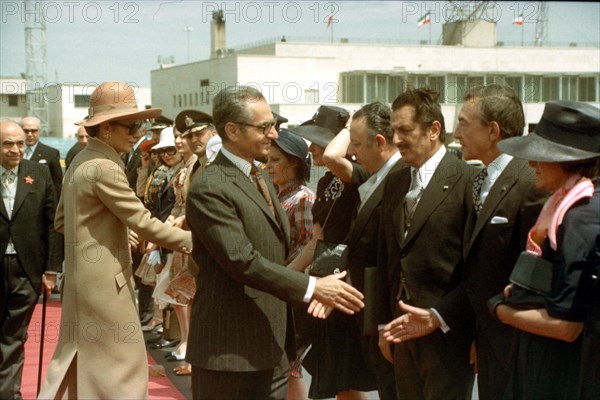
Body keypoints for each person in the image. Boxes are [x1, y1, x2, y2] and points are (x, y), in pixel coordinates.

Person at [185, 85, 365, 399]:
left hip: (272, 348)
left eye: (274, 126)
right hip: (230, 351)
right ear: (232, 130)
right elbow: (242, 260)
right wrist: (312, 287)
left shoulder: (261, 176)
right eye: (265, 127)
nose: (273, 134)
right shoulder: (210, 186)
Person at [385, 84, 548, 398]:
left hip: (515, 345)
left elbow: (528, 273)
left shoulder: (529, 181)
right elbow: (477, 272)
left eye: (463, 123)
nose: (456, 133)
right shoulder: (483, 179)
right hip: (487, 341)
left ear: (493, 131)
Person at [37, 81, 193, 399]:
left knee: (80, 367)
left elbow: (63, 221)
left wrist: (114, 230)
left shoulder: (81, 161)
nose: (137, 133)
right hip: (107, 286)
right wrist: (200, 240)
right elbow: (146, 223)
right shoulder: (105, 167)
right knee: (123, 372)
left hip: (80, 282)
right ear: (107, 129)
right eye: (132, 125)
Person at [490, 100, 600, 400]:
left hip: (563, 373)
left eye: (540, 156)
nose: (531, 163)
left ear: (565, 159)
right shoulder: (572, 205)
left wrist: (501, 310)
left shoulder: (579, 218)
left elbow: (566, 327)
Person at [379, 88, 475, 400]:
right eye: (393, 131)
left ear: (434, 130)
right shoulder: (395, 182)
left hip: (447, 338)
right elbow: (388, 259)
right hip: (402, 336)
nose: (396, 140)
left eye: (405, 130)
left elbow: (476, 268)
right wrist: (383, 324)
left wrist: (442, 316)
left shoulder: (467, 181)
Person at [290, 105, 375, 400]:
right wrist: (287, 275)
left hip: (349, 282)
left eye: (319, 138)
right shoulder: (326, 181)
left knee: (347, 376)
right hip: (326, 280)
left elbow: (331, 157)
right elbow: (317, 240)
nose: (312, 147)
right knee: (338, 379)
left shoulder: (361, 175)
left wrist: (349, 127)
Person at [321, 101, 402, 400]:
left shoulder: (402, 177)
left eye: (356, 144)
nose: (352, 152)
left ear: (379, 142)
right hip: (369, 307)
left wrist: (383, 322)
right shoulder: (378, 175)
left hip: (390, 315)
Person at [0, 120, 62, 399]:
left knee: (14, 336)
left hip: (27, 269)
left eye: (19, 144)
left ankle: (9, 393)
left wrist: (51, 269)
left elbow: (53, 223)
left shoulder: (38, 172)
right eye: (7, 144)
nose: (15, 150)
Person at [266, 128, 316, 399]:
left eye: (275, 160)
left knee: (289, 365)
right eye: (268, 160)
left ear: (294, 163)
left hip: (293, 291)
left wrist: (287, 278)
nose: (268, 166)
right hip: (277, 286)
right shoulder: (276, 196)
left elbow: (310, 248)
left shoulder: (304, 199)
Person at [21, 116, 63, 202]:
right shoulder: (13, 152)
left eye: (33, 131)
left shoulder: (51, 154)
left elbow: (56, 184)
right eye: (26, 131)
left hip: (40, 204)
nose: (29, 134)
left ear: (39, 131)